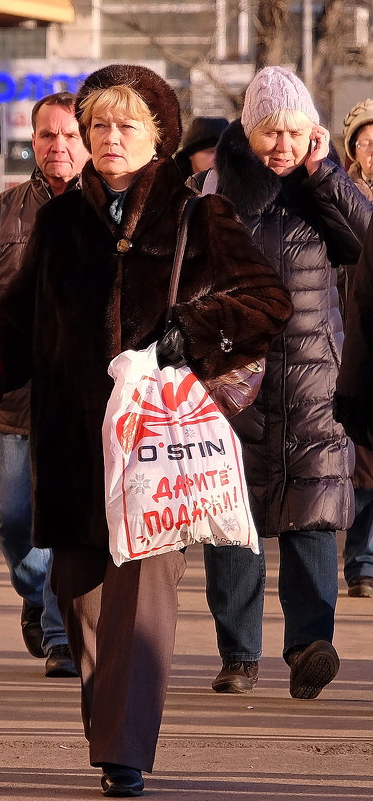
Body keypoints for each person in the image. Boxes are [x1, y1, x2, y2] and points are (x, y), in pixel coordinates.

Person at [0, 64, 292, 797]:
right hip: (70, 449)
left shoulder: (196, 215)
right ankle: (112, 730)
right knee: (80, 602)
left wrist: (193, 329)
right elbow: (15, 326)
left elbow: (266, 301)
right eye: (98, 125)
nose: (109, 137)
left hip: (154, 452)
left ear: (157, 136)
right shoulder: (59, 219)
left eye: (126, 126)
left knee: (138, 607)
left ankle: (123, 752)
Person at [191, 67, 371, 699]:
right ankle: (238, 655)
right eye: (271, 132)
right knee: (233, 518)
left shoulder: (324, 188)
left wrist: (325, 175)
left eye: (295, 132)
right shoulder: (213, 187)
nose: (283, 146)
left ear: (314, 132)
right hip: (234, 380)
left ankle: (309, 648)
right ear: (249, 129)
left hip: (312, 380)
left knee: (312, 517)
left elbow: (362, 241)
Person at [0, 91, 89, 678]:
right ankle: (37, 594)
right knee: (10, 515)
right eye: (47, 136)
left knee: (64, 514)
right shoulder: (0, 213)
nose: (58, 147)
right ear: (32, 142)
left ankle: (60, 636)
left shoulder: (112, 212)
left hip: (81, 398)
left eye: (69, 136)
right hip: (11, 395)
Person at [336, 99, 373, 599]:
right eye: (367, 141)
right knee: (364, 463)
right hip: (355, 334)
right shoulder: (344, 198)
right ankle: (362, 558)